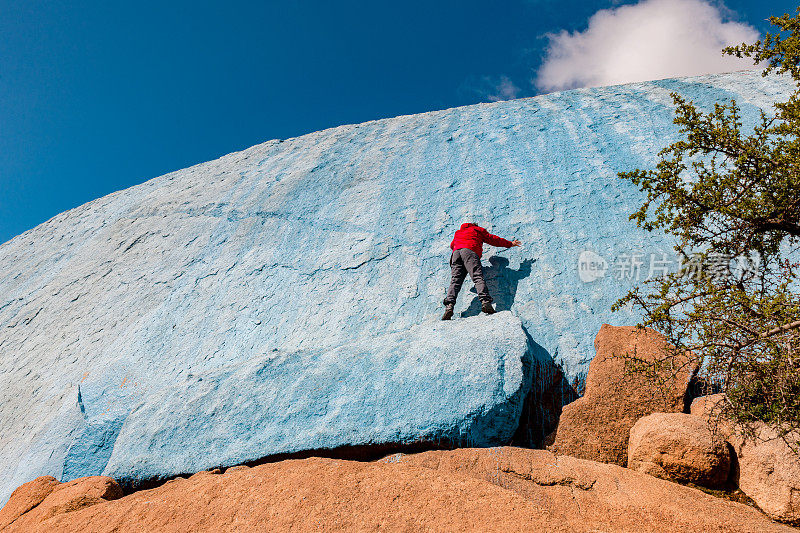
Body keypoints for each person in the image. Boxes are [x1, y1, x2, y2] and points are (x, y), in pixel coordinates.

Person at [442, 223, 521, 320]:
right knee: (477, 277)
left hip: (456, 253)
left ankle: (449, 306)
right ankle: (485, 302)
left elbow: (452, 245)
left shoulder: (459, 232)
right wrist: (510, 244)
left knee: (455, 281)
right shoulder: (478, 230)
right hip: (469, 251)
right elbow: (492, 239)